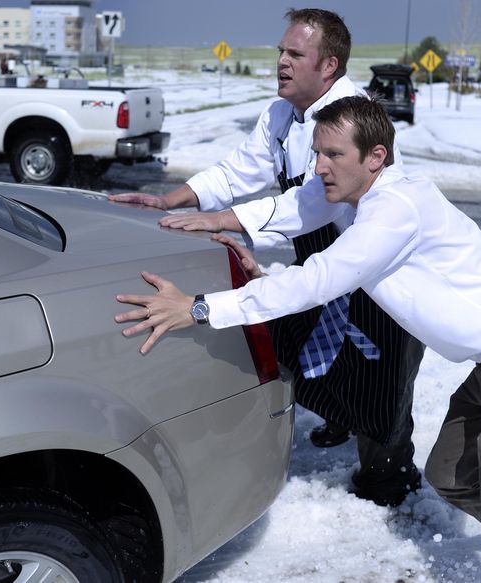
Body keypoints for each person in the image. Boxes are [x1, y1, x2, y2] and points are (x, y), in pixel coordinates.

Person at [116, 95, 481, 582]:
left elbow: (323, 277)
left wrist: (200, 308)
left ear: (375, 156)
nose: (318, 166)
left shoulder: (396, 209)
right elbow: (305, 239)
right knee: (450, 475)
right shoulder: (365, 201)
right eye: (317, 152)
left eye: (333, 154)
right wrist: (250, 268)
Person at [110, 8, 425, 507]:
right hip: (321, 258)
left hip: (375, 269)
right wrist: (175, 199)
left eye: (295, 54)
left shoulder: (351, 117)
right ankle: (338, 419)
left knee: (381, 378)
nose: (280, 61)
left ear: (329, 66)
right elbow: (240, 170)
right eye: (281, 50)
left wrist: (223, 220)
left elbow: (315, 203)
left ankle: (390, 480)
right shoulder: (281, 115)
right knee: (306, 349)